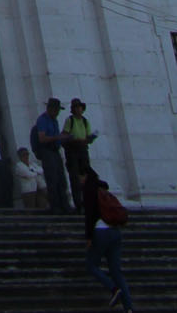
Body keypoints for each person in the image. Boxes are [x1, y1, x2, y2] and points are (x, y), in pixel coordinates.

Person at [82, 170, 133, 311]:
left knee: (91, 265)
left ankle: (113, 288)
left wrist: (89, 237)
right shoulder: (105, 190)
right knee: (116, 271)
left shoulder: (90, 192)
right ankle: (129, 308)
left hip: (101, 231)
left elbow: (90, 217)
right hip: (115, 231)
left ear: (85, 176)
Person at [30, 96, 70, 212]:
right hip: (47, 151)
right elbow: (42, 138)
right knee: (52, 179)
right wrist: (58, 137)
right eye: (56, 110)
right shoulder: (42, 120)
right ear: (51, 109)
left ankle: (64, 204)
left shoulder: (54, 121)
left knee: (61, 179)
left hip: (55, 151)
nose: (57, 113)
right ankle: (55, 206)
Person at [65, 98, 99, 192]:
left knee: (86, 173)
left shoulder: (85, 121)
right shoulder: (70, 120)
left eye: (79, 107)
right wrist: (75, 140)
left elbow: (88, 137)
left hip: (83, 150)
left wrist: (90, 139)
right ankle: (78, 201)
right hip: (72, 151)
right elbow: (65, 135)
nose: (78, 110)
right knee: (75, 176)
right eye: (76, 108)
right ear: (73, 109)